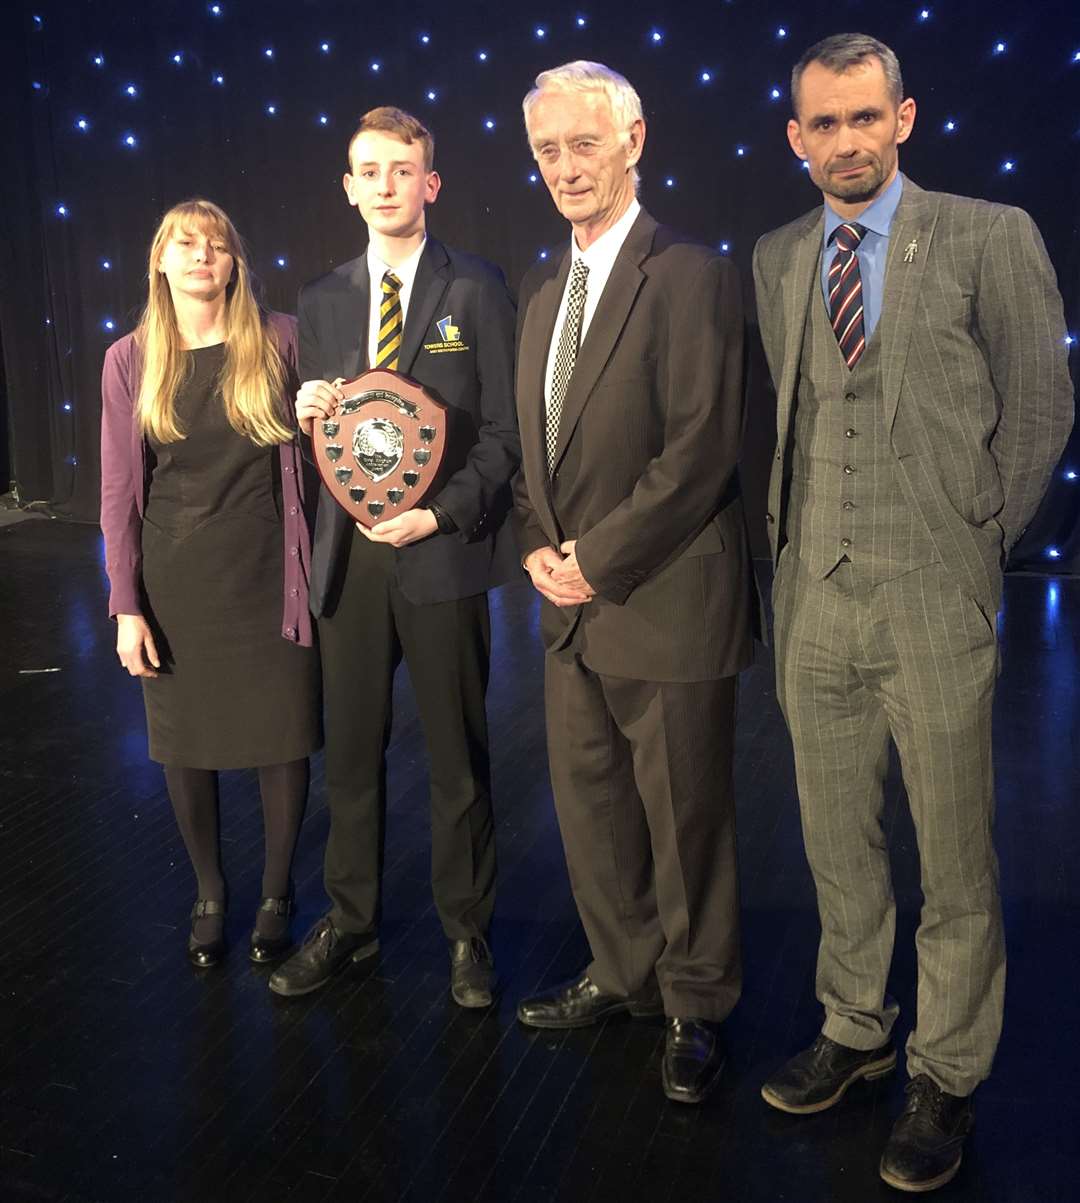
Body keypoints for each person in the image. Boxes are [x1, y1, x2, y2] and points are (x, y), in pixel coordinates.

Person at [753, 32, 1074, 1192]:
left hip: (935, 593)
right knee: (838, 839)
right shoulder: (779, 254)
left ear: (904, 119)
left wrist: (976, 546)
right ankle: (855, 1025)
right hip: (814, 602)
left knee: (953, 851)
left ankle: (947, 1068)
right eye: (821, 124)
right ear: (797, 140)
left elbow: (1039, 409)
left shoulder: (991, 235)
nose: (844, 140)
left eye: (863, 118)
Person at [511, 61, 759, 1104]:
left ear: (634, 140)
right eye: (547, 150)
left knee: (684, 816)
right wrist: (535, 543)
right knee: (594, 809)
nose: (565, 167)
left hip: (664, 600)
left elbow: (701, 453)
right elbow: (541, 456)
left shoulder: (692, 273)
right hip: (570, 610)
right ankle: (624, 974)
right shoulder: (539, 294)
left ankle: (696, 1005)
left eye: (583, 143)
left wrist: (594, 560)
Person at [268, 107, 519, 1008]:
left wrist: (443, 517)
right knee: (352, 759)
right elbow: (331, 444)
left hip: (440, 555)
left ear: (430, 184)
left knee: (457, 754)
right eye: (368, 171)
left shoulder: (478, 287)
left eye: (401, 170)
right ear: (348, 187)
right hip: (351, 563)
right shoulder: (325, 298)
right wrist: (306, 419)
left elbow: (505, 433)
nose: (385, 185)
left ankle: (466, 932)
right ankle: (353, 922)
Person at [100, 199, 321, 969]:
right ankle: (209, 891)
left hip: (271, 574)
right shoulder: (130, 359)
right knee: (185, 744)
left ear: (235, 262)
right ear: (160, 261)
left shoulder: (282, 338)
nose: (202, 257)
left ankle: (276, 892)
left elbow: (324, 452)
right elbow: (119, 492)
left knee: (282, 736)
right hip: (177, 585)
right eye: (185, 245)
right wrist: (126, 605)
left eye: (217, 246)